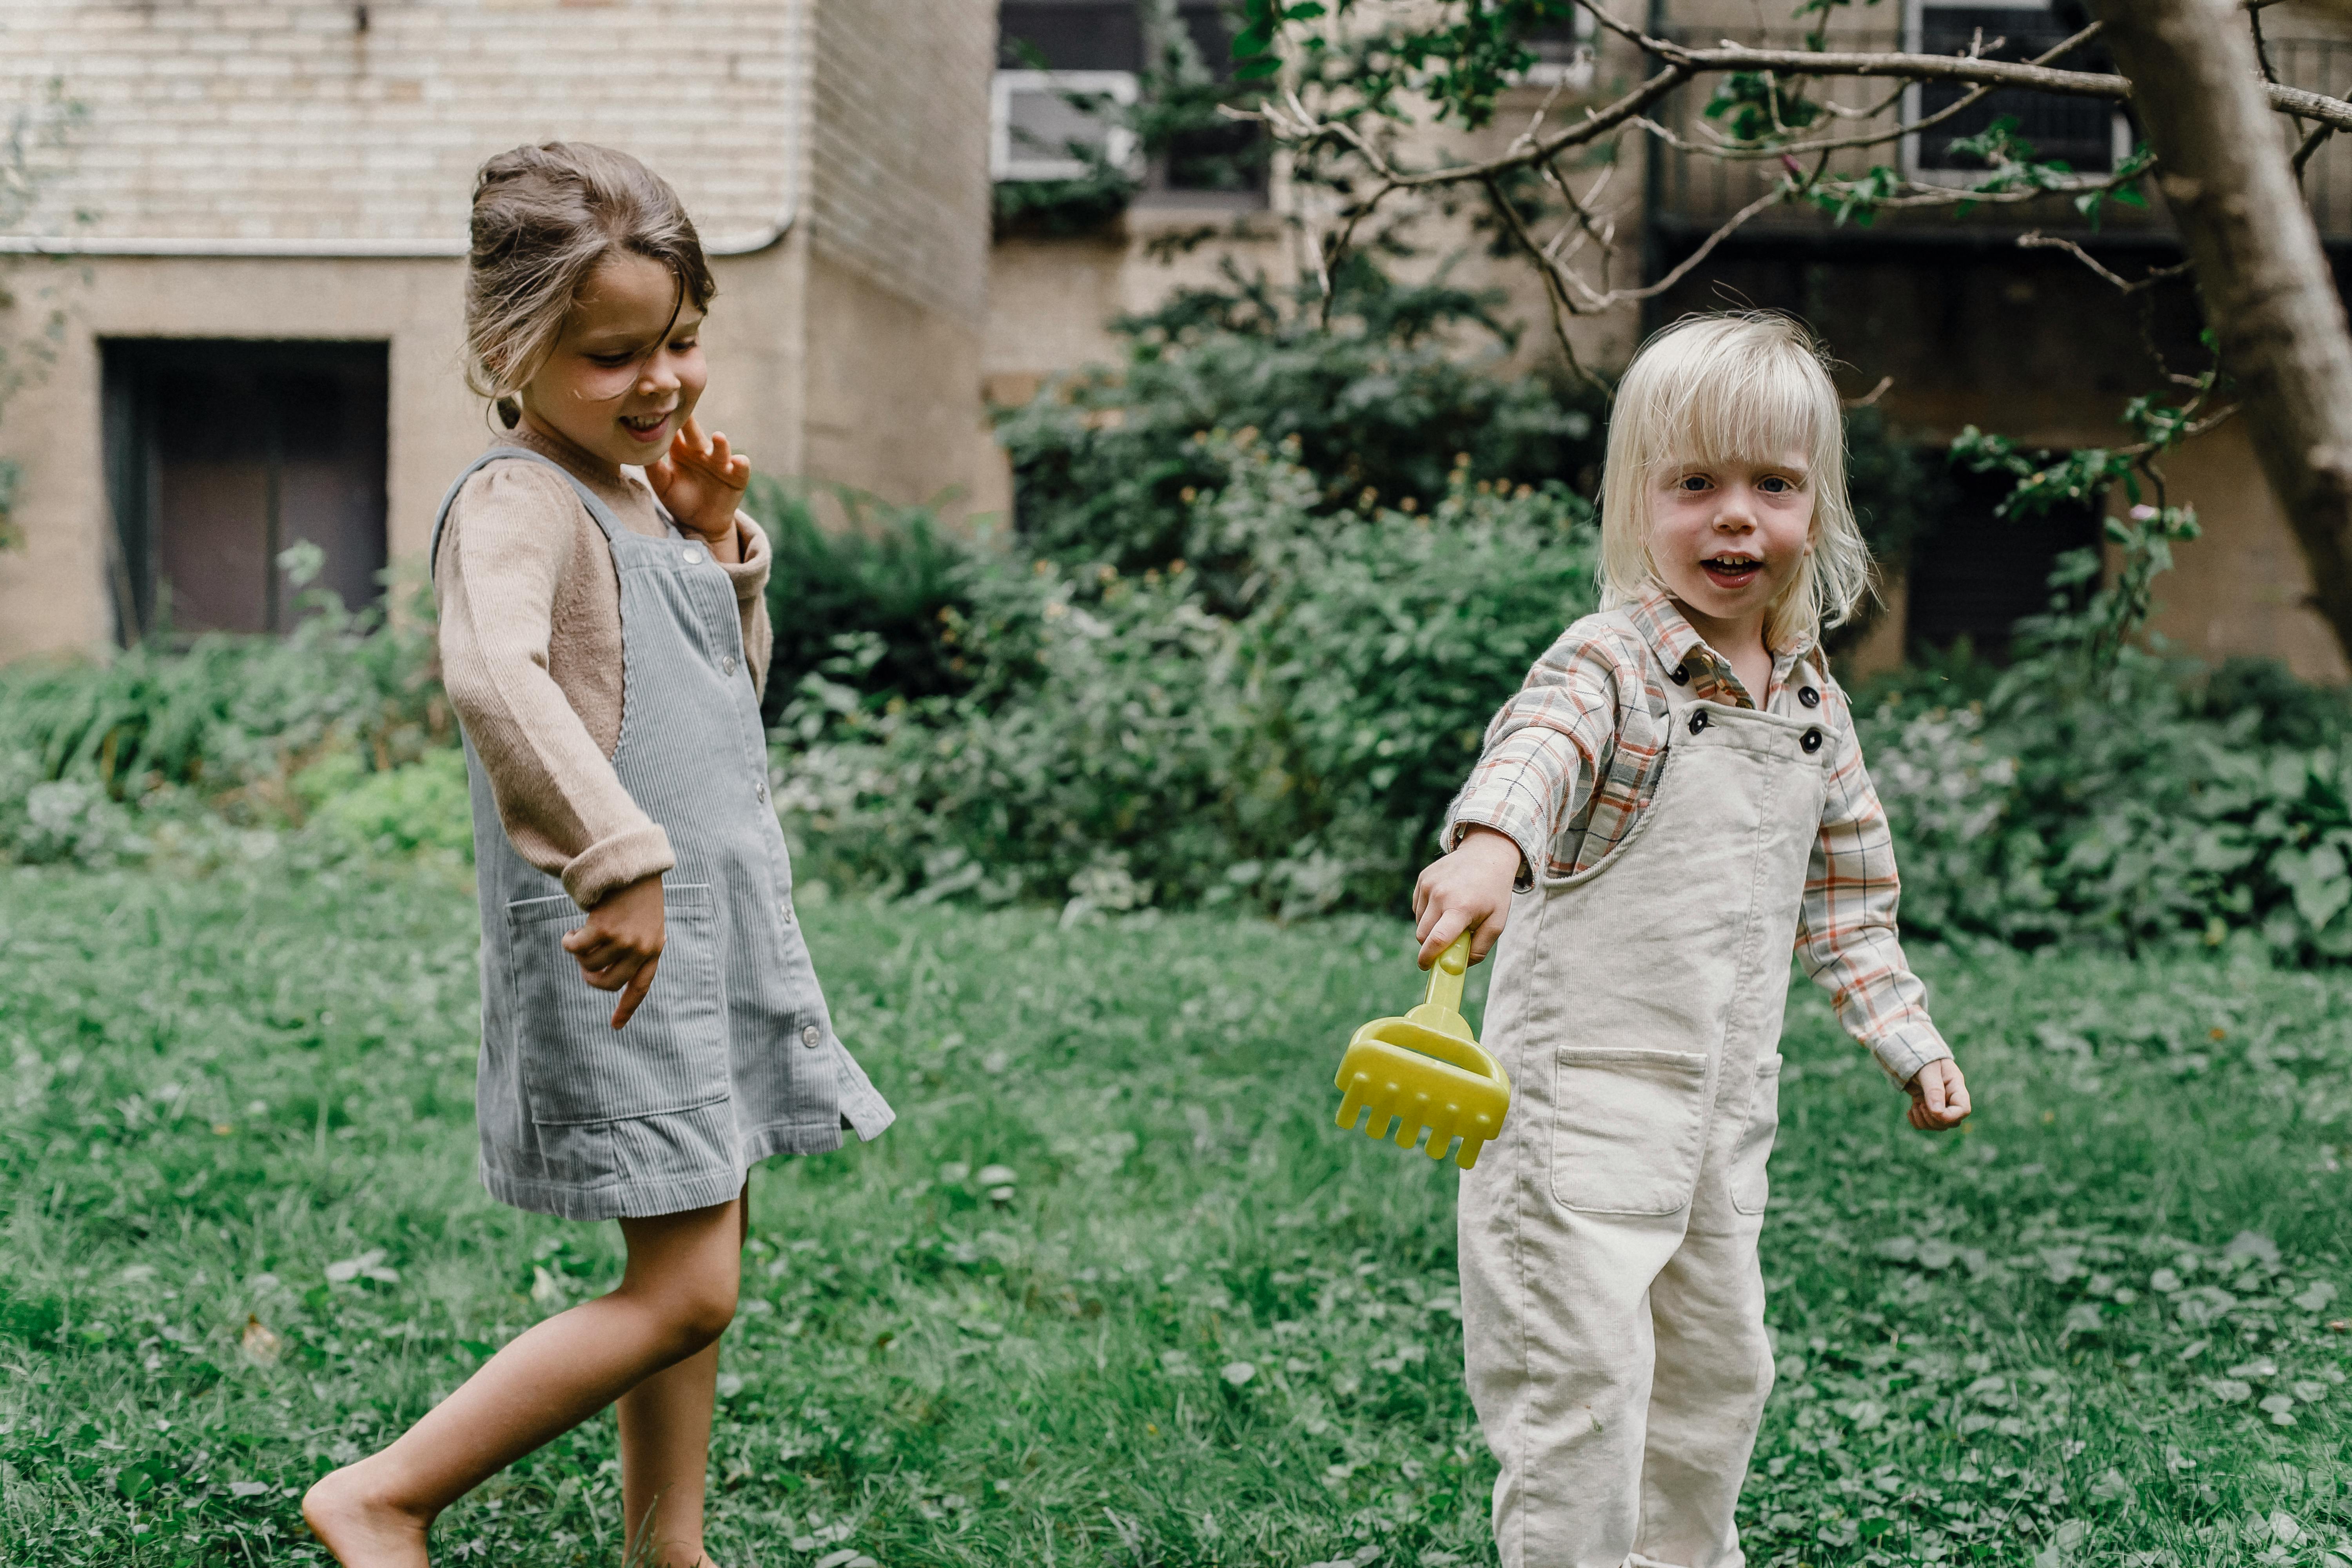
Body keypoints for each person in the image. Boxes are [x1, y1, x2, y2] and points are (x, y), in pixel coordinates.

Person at [302, 142, 893, 1568]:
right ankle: (380, 1495)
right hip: (615, 942)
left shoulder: (635, 493)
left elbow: (710, 702)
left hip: (702, 932)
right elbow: (493, 675)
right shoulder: (519, 500)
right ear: (510, 350)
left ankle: (666, 1542)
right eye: (611, 355)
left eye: (681, 342)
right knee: (686, 1290)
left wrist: (716, 558)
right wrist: (614, 855)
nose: (662, 383)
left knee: (703, 1247)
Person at [1412, 311, 1971, 1568]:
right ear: (1638, 504)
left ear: (1817, 510)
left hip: (1722, 1119)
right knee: (1585, 1400)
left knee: (1717, 1387)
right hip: (1575, 1117)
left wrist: (1905, 1033)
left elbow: (1849, 902)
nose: (1736, 518)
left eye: (1773, 486)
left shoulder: (1816, 707)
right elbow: (1541, 747)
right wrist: (1492, 846)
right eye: (1697, 484)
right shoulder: (1614, 664)